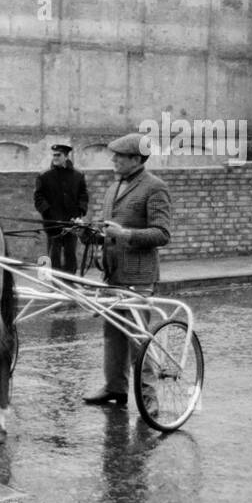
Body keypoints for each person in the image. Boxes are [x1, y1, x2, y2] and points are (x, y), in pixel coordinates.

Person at [78, 133, 172, 414]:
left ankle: (148, 395)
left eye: (119, 156)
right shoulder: (113, 188)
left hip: (138, 276)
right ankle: (115, 388)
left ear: (135, 159)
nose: (113, 160)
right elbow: (109, 233)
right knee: (113, 334)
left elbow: (162, 233)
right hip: (113, 275)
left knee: (137, 336)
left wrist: (126, 234)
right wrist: (88, 234)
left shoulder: (155, 188)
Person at [35, 144, 90, 274]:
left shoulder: (77, 175)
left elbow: (83, 195)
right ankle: (55, 282)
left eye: (58, 155)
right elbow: (38, 197)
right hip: (53, 223)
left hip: (72, 222)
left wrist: (80, 212)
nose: (55, 157)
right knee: (54, 253)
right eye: (54, 155)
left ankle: (70, 280)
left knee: (70, 252)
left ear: (66, 156)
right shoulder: (44, 175)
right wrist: (48, 213)